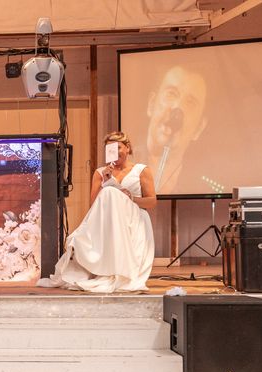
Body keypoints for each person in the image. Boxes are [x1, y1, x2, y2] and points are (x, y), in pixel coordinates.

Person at [38, 131, 156, 293]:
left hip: (134, 218)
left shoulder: (141, 170)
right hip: (109, 222)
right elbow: (95, 205)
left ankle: (120, 268)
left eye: (118, 148)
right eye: (110, 149)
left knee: (111, 192)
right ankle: (102, 264)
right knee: (108, 193)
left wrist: (131, 198)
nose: (115, 153)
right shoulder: (101, 173)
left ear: (127, 148)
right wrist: (105, 182)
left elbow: (151, 201)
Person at [144, 65, 208, 194]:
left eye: (190, 102)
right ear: (151, 103)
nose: (177, 109)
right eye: (171, 94)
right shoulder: (125, 170)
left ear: (199, 128)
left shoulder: (201, 185)